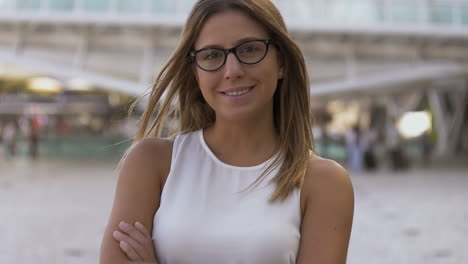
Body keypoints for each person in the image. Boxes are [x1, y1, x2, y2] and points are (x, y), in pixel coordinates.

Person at [100, 1, 354, 263]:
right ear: (195, 72)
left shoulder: (324, 182)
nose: (232, 71)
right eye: (212, 55)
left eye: (250, 49)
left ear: (282, 62)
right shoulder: (151, 163)